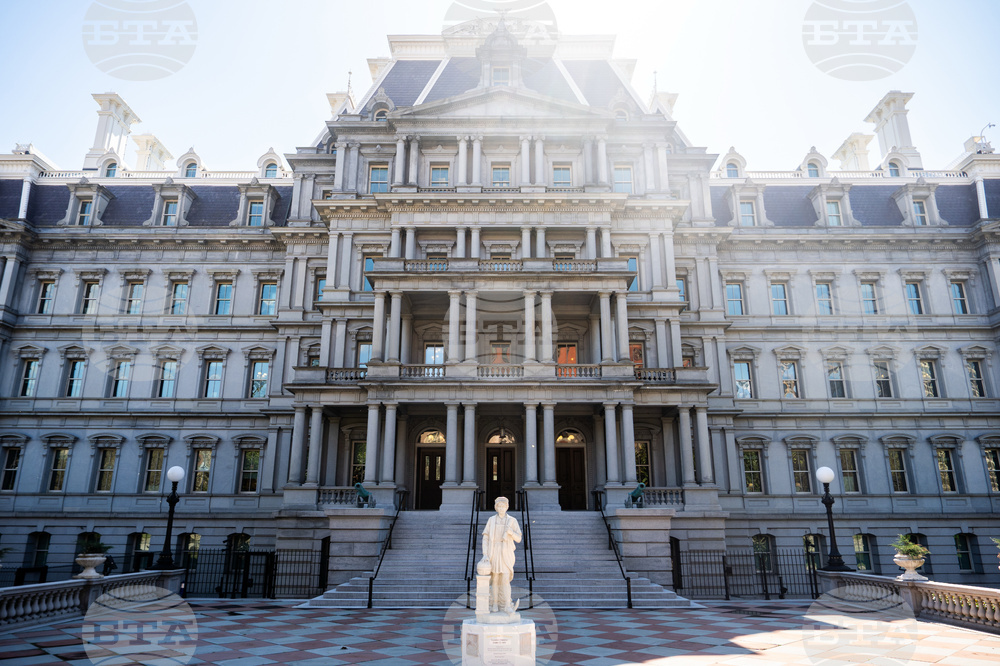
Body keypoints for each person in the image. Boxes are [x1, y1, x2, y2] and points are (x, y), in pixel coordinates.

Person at [479, 496, 522, 613]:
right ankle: (494, 604)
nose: (501, 508)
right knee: (495, 579)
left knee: (505, 579)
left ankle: (507, 604)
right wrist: (485, 554)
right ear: (496, 508)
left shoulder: (512, 521)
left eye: (503, 506)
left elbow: (518, 538)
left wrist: (511, 532)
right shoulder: (491, 520)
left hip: (506, 553)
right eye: (499, 506)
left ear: (507, 507)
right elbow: (485, 537)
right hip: (494, 552)